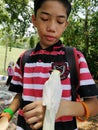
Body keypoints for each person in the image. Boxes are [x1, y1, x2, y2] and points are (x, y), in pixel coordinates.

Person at [0, 0, 98, 130]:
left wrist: (60, 108)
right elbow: (19, 95)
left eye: (60, 21)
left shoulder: (75, 58)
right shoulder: (24, 59)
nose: (52, 27)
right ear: (34, 20)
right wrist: (6, 115)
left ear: (66, 25)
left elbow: (94, 105)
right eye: (45, 18)